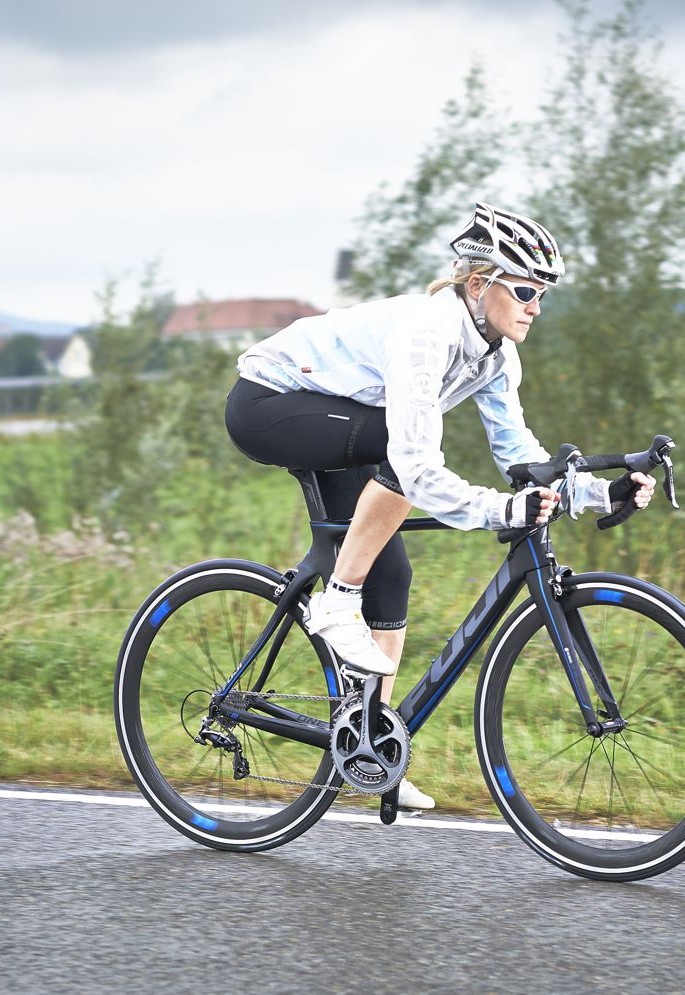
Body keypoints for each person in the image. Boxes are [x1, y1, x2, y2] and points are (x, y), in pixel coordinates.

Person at [224, 202, 655, 810]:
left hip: (339, 415)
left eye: (544, 295)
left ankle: (371, 744)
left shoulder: (497, 354)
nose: (536, 307)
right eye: (527, 290)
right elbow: (417, 466)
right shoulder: (428, 333)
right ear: (479, 285)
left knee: (393, 571)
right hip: (270, 402)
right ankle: (335, 602)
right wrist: (499, 511)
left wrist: (596, 490)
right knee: (397, 452)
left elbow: (521, 456)